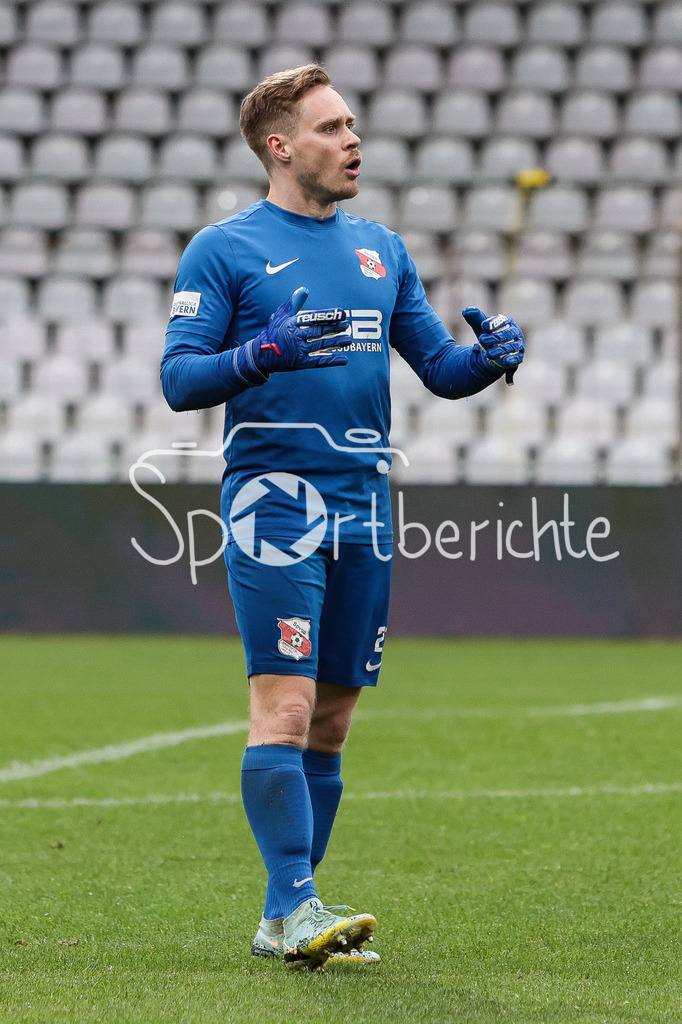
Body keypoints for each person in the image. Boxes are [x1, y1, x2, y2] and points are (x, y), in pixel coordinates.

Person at [160, 63, 524, 971]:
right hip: (273, 504)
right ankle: (294, 904)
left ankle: (289, 912)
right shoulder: (225, 249)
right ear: (280, 147)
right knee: (283, 706)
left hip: (366, 503)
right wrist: (261, 352)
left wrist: (488, 361)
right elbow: (179, 379)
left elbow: (437, 367)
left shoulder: (381, 249)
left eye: (353, 123)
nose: (353, 139)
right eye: (330, 127)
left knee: (331, 723)